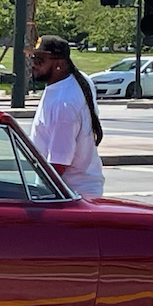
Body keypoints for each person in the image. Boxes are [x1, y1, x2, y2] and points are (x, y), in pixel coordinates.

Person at [29, 34, 104, 199]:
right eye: (33, 58)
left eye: (40, 60)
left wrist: (39, 195)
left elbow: (59, 162)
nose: (34, 64)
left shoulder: (63, 103)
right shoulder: (76, 80)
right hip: (74, 189)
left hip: (69, 193)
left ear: (59, 64)